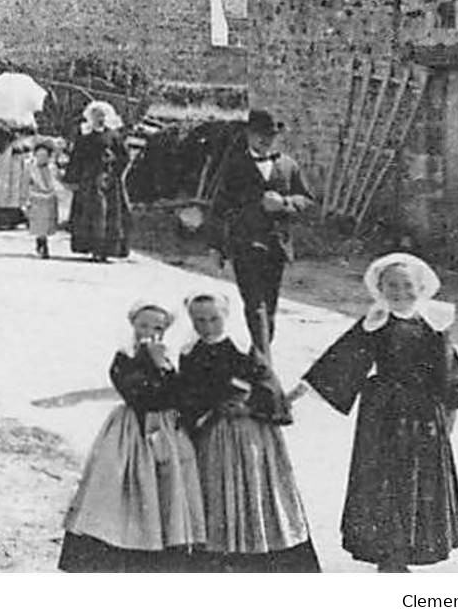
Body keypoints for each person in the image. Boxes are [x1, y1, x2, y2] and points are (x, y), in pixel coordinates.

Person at [288, 253, 458, 572]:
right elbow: (340, 359)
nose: (400, 291)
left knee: (417, 478)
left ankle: (410, 546)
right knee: (382, 478)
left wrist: (448, 417)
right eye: (391, 285)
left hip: (422, 413)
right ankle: (388, 551)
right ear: (379, 288)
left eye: (407, 285)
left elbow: (449, 373)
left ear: (422, 287)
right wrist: (298, 392)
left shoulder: (434, 324)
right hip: (382, 414)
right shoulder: (374, 322)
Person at [58, 300, 206, 572]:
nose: (149, 331)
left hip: (167, 429)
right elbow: (138, 393)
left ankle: (161, 554)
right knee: (124, 485)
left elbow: (180, 395)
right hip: (132, 432)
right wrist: (150, 359)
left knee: (168, 488)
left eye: (157, 327)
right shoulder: (124, 357)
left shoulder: (171, 357)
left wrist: (165, 366)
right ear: (133, 326)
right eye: (143, 325)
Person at [179, 292, 319, 573]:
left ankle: (258, 550)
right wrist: (207, 406)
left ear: (226, 317)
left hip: (249, 430)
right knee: (216, 488)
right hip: (212, 432)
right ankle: (222, 553)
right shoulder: (189, 353)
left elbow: (269, 386)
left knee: (254, 486)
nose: (207, 326)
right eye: (200, 320)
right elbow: (186, 395)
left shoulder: (243, 348)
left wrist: (249, 404)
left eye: (214, 318)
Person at [209, 109, 315, 359]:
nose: (265, 140)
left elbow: (308, 200)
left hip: (276, 245)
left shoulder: (288, 165)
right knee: (255, 304)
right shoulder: (234, 165)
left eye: (270, 135)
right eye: (259, 135)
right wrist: (216, 247)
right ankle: (263, 359)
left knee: (269, 307)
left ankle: (257, 357)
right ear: (248, 135)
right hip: (244, 242)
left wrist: (286, 203)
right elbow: (219, 207)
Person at [63, 100, 132, 263]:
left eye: (102, 115)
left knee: (108, 214)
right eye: (95, 115)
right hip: (88, 181)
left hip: (108, 181)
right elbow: (76, 158)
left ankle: (107, 250)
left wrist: (116, 170)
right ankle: (93, 248)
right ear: (90, 117)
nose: (99, 118)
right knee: (92, 213)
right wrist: (72, 178)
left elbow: (125, 157)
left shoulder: (113, 136)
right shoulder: (84, 137)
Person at [17, 138, 63, 259]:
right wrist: (24, 201)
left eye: (44, 156)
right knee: (39, 225)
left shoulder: (52, 168)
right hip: (36, 199)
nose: (42, 158)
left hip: (50, 198)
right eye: (39, 155)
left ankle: (43, 241)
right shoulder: (30, 168)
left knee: (49, 225)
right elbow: (24, 185)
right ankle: (42, 245)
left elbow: (59, 180)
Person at [0, 123, 28, 231]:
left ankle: (14, 216)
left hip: (13, 159)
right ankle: (4, 219)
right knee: (4, 187)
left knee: (13, 186)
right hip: (6, 157)